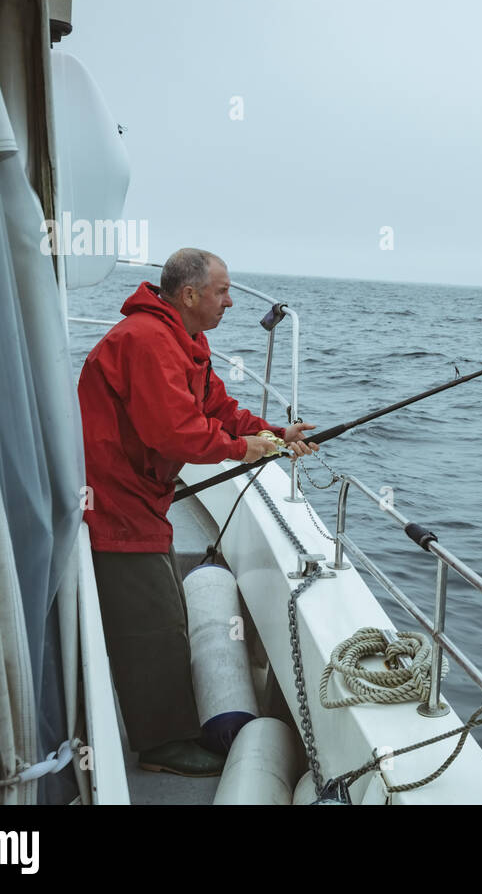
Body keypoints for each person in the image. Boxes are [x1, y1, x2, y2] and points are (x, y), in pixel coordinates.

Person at [77, 247, 318, 776]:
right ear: (189, 295)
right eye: (222, 291)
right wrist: (243, 450)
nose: (230, 301)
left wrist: (274, 434)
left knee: (165, 615)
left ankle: (167, 727)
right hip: (114, 502)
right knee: (153, 626)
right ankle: (162, 745)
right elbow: (174, 432)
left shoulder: (185, 339)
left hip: (144, 498)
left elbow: (216, 410)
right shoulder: (146, 341)